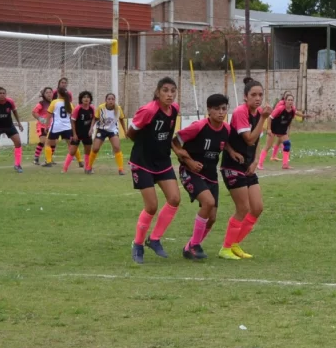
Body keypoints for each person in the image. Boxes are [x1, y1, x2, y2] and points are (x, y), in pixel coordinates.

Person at [172, 94, 241, 260]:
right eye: (216, 109)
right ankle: (195, 245)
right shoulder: (198, 127)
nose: (220, 112)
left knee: (212, 218)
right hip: (191, 172)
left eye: (224, 109)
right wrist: (188, 161)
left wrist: (232, 152)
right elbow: (174, 142)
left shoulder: (226, 129)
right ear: (208, 110)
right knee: (208, 202)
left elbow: (225, 142)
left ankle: (190, 247)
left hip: (211, 176)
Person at [127, 77, 181, 264]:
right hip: (142, 162)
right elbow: (130, 132)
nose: (169, 94)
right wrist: (145, 145)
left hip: (162, 161)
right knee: (151, 206)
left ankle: (155, 239)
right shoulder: (148, 110)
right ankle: (138, 244)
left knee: (174, 199)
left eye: (173, 91)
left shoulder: (174, 109)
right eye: (165, 90)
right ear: (158, 92)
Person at [218, 77, 272, 260]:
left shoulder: (258, 114)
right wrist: (264, 118)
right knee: (243, 208)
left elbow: (257, 141)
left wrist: (256, 160)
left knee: (257, 208)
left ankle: (235, 244)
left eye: (260, 95)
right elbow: (249, 138)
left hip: (248, 166)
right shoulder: (241, 112)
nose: (258, 98)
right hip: (232, 166)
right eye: (254, 95)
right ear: (245, 97)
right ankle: (225, 248)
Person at [257, 92, 310, 170]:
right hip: (273, 129)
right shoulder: (280, 108)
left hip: (282, 130)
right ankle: (260, 164)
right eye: (288, 100)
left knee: (287, 144)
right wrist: (269, 129)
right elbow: (270, 118)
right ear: (285, 101)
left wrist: (304, 116)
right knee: (267, 146)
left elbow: (296, 113)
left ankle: (285, 165)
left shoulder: (292, 109)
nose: (290, 101)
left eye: (292, 100)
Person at [87, 93, 127, 175]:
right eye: (109, 99)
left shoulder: (118, 108)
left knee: (116, 147)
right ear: (106, 100)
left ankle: (121, 169)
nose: (111, 101)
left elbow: (122, 120)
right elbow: (95, 118)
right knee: (95, 148)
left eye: (112, 99)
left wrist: (126, 132)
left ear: (114, 100)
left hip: (112, 130)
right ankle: (89, 167)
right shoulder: (101, 108)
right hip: (102, 130)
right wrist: (91, 128)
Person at [54, 77, 83, 166]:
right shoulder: (55, 93)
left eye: (65, 83)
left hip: (64, 122)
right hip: (56, 121)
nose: (64, 84)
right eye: (62, 82)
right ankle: (49, 159)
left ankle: (79, 159)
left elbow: (69, 106)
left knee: (69, 141)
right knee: (52, 141)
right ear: (59, 84)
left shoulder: (68, 94)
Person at [64, 91, 96, 173]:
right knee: (72, 151)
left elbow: (94, 119)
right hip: (77, 132)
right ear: (81, 99)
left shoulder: (92, 108)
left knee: (88, 150)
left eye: (88, 97)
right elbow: (72, 121)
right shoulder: (78, 108)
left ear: (90, 99)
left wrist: (91, 128)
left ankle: (87, 168)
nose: (86, 99)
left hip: (87, 133)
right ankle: (65, 168)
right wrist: (74, 134)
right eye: (84, 97)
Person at [42, 88, 74, 167]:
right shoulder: (69, 103)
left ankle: (48, 162)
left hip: (56, 126)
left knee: (47, 143)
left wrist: (46, 126)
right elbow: (73, 116)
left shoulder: (54, 102)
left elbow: (49, 115)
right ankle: (80, 161)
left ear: (58, 94)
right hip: (67, 127)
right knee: (72, 144)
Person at [31, 87, 53, 165]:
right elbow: (34, 112)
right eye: (47, 92)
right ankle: (36, 158)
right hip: (42, 126)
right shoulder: (41, 103)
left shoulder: (53, 103)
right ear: (44, 94)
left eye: (50, 92)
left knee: (53, 143)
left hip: (51, 126)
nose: (49, 94)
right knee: (43, 141)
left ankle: (49, 159)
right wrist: (41, 119)